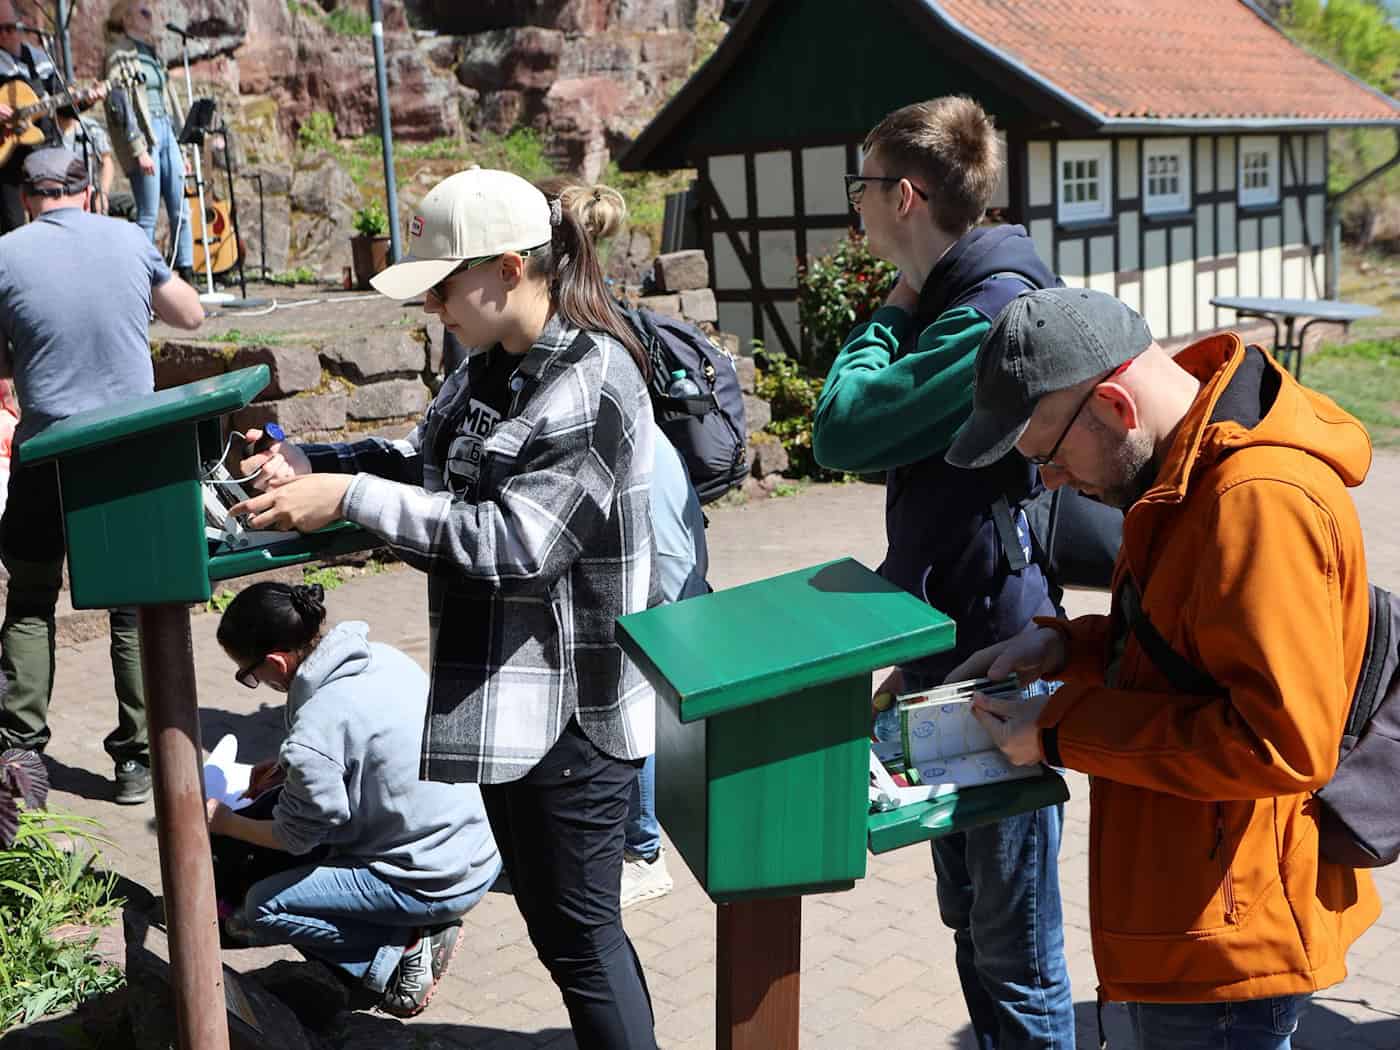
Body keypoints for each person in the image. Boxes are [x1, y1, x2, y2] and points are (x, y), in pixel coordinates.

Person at [232, 167, 661, 1047]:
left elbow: (518, 544)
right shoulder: (487, 368)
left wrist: (348, 499)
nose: (432, 308)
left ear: (509, 268)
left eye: (441, 286)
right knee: (559, 937)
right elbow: (418, 458)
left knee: (581, 940)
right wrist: (311, 460)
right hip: (507, 706)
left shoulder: (592, 380)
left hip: (573, 716)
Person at [946, 287, 1382, 1050]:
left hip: (1224, 937)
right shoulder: (1182, 468)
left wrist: (1058, 732)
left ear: (1114, 405)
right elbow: (1188, 647)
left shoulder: (1256, 500)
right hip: (1190, 915)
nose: (1047, 483)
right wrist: (1067, 649)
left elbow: (1279, 743)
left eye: (1047, 457)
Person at [811, 97, 1075, 1049]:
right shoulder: (963, 301)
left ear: (907, 196)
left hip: (995, 653)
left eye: (865, 186)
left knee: (1014, 947)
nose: (858, 204)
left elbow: (840, 425)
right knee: (972, 920)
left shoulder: (985, 318)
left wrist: (890, 307)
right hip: (953, 640)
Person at [0, 147, 202, 803]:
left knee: (30, 602)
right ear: (88, 193)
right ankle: (136, 764)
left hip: (44, 451)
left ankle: (19, 756)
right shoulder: (128, 238)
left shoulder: (5, 254)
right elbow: (190, 315)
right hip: (126, 452)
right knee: (129, 608)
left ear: (30, 198)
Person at [206, 581, 501, 1017]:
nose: (256, 683)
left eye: (250, 675)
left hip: (431, 880)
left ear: (275, 661)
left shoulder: (315, 731)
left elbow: (295, 837)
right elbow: (367, 744)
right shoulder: (383, 658)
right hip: (477, 850)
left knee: (261, 907)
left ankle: (400, 953)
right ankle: (400, 931)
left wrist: (223, 821)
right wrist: (286, 769)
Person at [549, 181, 711, 909]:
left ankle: (643, 849)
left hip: (649, 539)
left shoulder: (573, 332)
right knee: (637, 692)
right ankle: (639, 838)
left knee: (629, 696)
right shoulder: (607, 313)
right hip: (668, 524)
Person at [103, 1, 194, 281]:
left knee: (181, 206)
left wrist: (182, 146)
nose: (151, 17)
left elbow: (169, 100)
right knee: (149, 211)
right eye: (144, 12)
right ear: (128, 18)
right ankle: (144, 278)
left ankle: (187, 271)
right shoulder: (118, 54)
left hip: (166, 128)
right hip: (145, 133)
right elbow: (119, 105)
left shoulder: (153, 53)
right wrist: (138, 148)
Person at [0, 2, 62, 233]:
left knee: (48, 223)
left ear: (21, 26)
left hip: (43, 153)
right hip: (7, 165)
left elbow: (63, 104)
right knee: (12, 229)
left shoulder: (41, 60)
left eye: (9, 28)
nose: (4, 35)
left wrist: (86, 99)